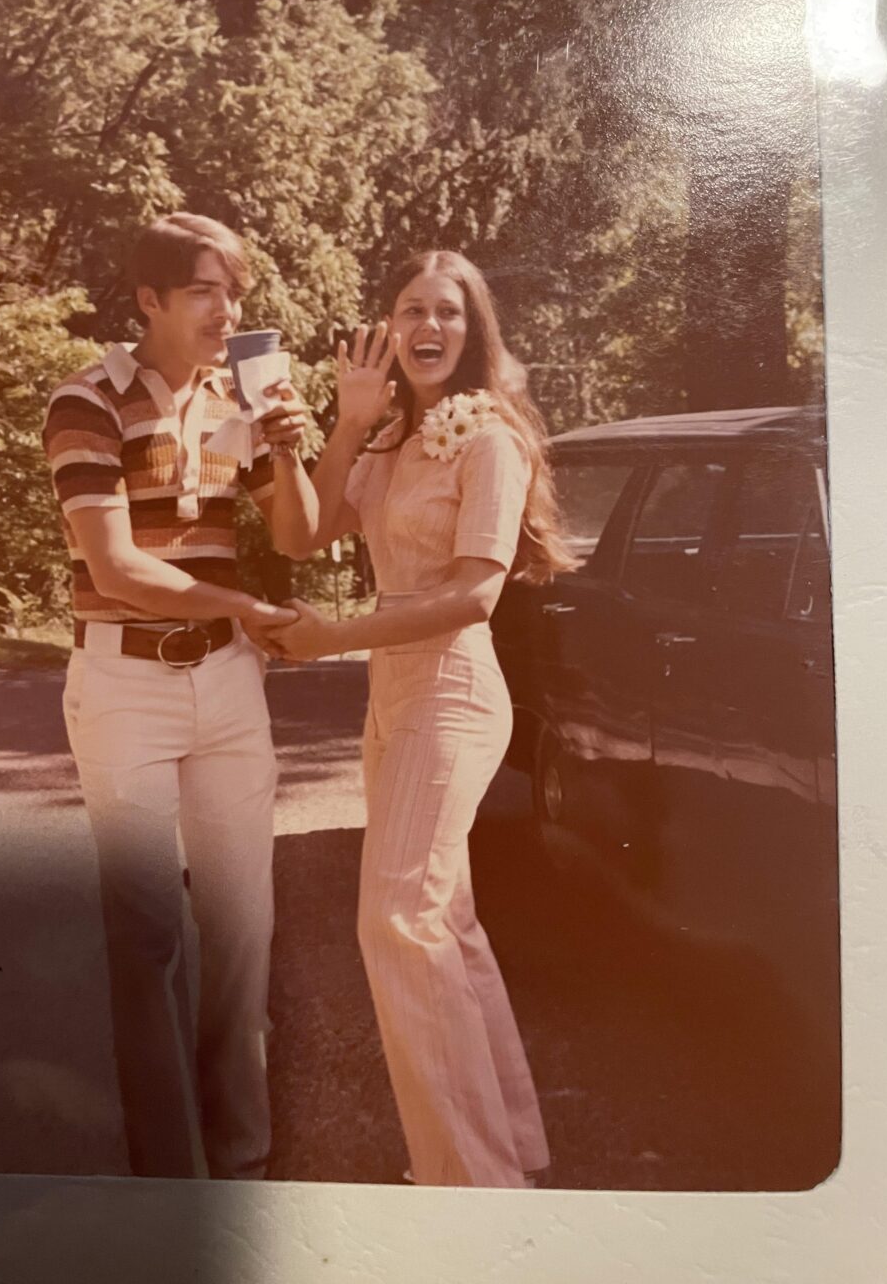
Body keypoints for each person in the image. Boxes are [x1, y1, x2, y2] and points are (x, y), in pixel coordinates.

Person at [272, 250, 579, 1188]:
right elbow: (299, 533)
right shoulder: (393, 437)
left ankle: (470, 1188)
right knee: (443, 921)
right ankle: (512, 1154)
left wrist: (334, 637)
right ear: (389, 329)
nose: (428, 327)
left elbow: (474, 597)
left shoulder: (489, 440)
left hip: (453, 692)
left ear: (473, 332)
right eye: (411, 310)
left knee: (397, 921)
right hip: (393, 696)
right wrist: (341, 425)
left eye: (448, 311)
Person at [42, 213, 316, 1180]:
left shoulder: (235, 398)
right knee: (149, 936)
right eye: (204, 290)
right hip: (124, 684)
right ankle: (169, 1180)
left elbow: (293, 540)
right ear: (149, 299)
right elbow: (112, 566)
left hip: (229, 685)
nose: (227, 308)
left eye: (234, 292)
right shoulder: (88, 402)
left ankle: (240, 1162)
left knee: (244, 926)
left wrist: (286, 449)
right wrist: (245, 605)